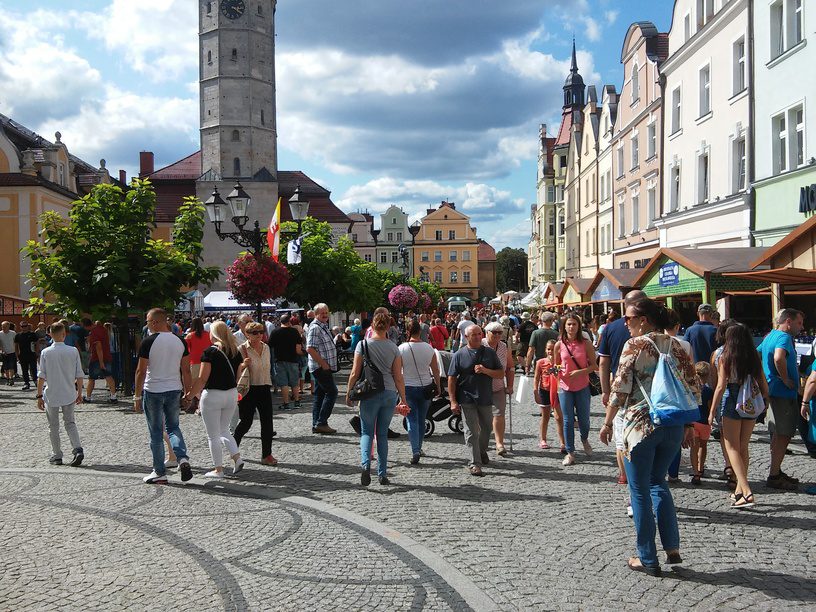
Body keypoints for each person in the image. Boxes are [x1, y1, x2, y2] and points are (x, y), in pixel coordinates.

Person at [600, 298, 699, 576]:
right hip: (672, 425)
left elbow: (620, 388)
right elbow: (694, 387)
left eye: (629, 318)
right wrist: (689, 424)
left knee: (639, 490)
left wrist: (607, 423)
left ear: (643, 320)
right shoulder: (676, 344)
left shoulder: (635, 345)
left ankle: (647, 557)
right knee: (659, 482)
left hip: (641, 425)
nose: (625, 323)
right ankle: (672, 548)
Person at [346, 310, 409, 485]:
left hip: (369, 393)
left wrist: (349, 393)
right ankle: (382, 474)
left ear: (372, 325)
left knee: (367, 432)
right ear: (388, 326)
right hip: (389, 393)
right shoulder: (394, 348)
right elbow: (398, 376)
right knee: (382, 434)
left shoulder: (363, 345)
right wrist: (403, 399)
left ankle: (366, 465)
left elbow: (354, 372)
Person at [710, 323, 769, 507]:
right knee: (743, 446)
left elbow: (720, 386)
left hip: (732, 399)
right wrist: (764, 402)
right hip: (751, 401)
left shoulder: (725, 357)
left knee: (732, 448)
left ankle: (745, 490)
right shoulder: (753, 357)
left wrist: (712, 411)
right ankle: (738, 490)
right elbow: (764, 384)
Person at [134, 308, 194, 484]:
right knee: (173, 427)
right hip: (174, 388)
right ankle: (182, 458)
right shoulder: (180, 341)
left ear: (154, 322)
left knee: (155, 432)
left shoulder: (148, 342)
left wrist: (137, 396)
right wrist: (188, 394)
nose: (147, 324)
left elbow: (141, 370)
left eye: (147, 321)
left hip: (153, 389)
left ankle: (159, 471)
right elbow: (186, 370)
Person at [186, 320, 246, 478]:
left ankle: (218, 469)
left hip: (213, 395)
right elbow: (238, 375)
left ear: (214, 334)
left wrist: (190, 395)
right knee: (225, 429)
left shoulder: (209, 352)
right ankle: (237, 458)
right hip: (231, 393)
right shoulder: (235, 351)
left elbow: (202, 379)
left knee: (213, 435)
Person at [598, 290, 646, 482]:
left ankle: (624, 475)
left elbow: (604, 363)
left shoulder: (610, 328)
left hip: (621, 391)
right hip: (647, 393)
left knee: (621, 439)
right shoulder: (655, 331)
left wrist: (605, 391)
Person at [447, 324, 503, 476]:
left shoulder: (490, 353)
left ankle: (481, 450)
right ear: (466, 337)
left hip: (485, 396)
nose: (478, 337)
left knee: (487, 428)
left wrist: (485, 370)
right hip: (466, 398)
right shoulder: (459, 354)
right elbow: (451, 378)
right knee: (471, 431)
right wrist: (453, 400)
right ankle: (474, 463)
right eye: (474, 335)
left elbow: (500, 374)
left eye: (480, 334)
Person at [757, 308, 804, 491]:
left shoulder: (770, 336)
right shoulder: (783, 337)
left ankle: (776, 470)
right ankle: (774, 475)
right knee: (783, 435)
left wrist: (764, 377)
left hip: (773, 391)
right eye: (799, 323)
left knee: (777, 435)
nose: (802, 327)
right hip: (783, 393)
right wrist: (784, 378)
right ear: (788, 321)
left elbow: (757, 353)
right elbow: (778, 357)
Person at [36, 322, 85, 466]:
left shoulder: (46, 352)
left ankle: (57, 455)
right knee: (70, 423)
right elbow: (79, 375)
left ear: (50, 334)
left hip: (52, 394)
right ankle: (77, 449)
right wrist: (80, 393)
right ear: (64, 334)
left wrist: (39, 396)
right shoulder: (73, 351)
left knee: (53, 426)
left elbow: (41, 376)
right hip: (69, 392)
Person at [553, 311, 598, 466]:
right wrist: (559, 371)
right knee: (567, 420)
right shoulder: (559, 344)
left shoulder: (586, 344)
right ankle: (570, 452)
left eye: (574, 324)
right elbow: (555, 365)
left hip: (582, 386)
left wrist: (580, 371)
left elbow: (594, 366)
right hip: (565, 387)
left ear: (578, 326)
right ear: (564, 327)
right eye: (569, 324)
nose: (571, 327)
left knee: (584, 419)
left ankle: (584, 438)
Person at [234, 322, 277, 465]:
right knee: (246, 422)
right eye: (255, 333)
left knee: (267, 423)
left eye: (261, 332)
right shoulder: (241, 349)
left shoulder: (266, 347)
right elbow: (235, 371)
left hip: (264, 387)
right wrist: (242, 365)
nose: (259, 335)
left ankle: (267, 455)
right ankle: (233, 448)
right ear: (247, 334)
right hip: (249, 389)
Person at [399, 319, 441, 464]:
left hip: (408, 387)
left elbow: (398, 371)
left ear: (407, 331)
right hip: (426, 387)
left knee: (411, 419)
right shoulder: (429, 348)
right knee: (422, 419)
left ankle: (415, 450)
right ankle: (420, 447)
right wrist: (438, 386)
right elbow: (435, 369)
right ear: (420, 332)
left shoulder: (401, 348)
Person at [306, 303, 339, 434]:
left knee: (319, 395)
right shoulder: (315, 327)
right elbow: (310, 348)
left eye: (326, 312)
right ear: (316, 314)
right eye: (322, 313)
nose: (325, 315)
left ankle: (316, 424)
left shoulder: (322, 326)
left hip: (323, 366)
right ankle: (322, 422)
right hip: (320, 367)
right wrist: (323, 364)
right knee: (332, 392)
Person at [483, 321, 515, 456]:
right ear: (487, 333)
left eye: (499, 333)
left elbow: (510, 367)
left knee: (499, 414)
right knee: (482, 417)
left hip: (498, 386)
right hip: (481, 387)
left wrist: (510, 385)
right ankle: (482, 443)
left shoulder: (503, 347)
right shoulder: (480, 344)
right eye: (494, 332)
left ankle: (499, 443)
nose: (497, 335)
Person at [533, 339, 565, 452]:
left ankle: (563, 442)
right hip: (544, 390)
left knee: (559, 417)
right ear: (546, 350)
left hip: (557, 391)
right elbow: (536, 377)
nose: (550, 351)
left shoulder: (559, 362)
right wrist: (535, 391)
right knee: (545, 416)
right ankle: (543, 439)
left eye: (553, 349)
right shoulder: (541, 362)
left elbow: (559, 376)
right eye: (548, 349)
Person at [268, 313, 303, 410]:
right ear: (289, 322)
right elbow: (298, 349)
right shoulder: (294, 332)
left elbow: (269, 345)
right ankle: (296, 402)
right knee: (294, 382)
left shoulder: (275, 332)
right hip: (293, 360)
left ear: (281, 321)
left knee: (284, 383)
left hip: (279, 360)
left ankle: (286, 404)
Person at [690, 362, 714, 486]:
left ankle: (695, 473)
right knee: (703, 446)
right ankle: (701, 467)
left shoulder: (691, 389)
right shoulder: (709, 391)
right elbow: (710, 408)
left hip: (693, 421)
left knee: (693, 447)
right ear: (708, 375)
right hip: (705, 422)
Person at [84, 320, 118, 404]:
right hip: (107, 356)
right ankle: (113, 397)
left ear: (86, 326)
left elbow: (98, 347)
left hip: (97, 358)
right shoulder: (103, 329)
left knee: (91, 378)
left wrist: (101, 362)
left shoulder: (94, 332)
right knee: (109, 376)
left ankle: (88, 397)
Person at [14, 321, 38, 391]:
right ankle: (26, 383)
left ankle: (36, 381)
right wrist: (17, 354)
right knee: (24, 370)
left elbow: (37, 343)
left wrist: (36, 352)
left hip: (32, 354)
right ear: (20, 327)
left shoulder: (32, 334)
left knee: (33, 368)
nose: (24, 328)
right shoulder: (18, 335)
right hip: (22, 355)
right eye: (22, 326)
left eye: (25, 326)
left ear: (28, 326)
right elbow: (16, 345)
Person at [0, 320, 17, 386]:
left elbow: (16, 343)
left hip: (12, 352)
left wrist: (16, 351)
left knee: (11, 366)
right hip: (4, 353)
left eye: (4, 326)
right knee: (6, 367)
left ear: (8, 326)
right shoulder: (0, 333)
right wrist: (2, 350)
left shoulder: (13, 333)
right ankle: (7, 379)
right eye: (2, 326)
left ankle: (11, 379)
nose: (3, 328)